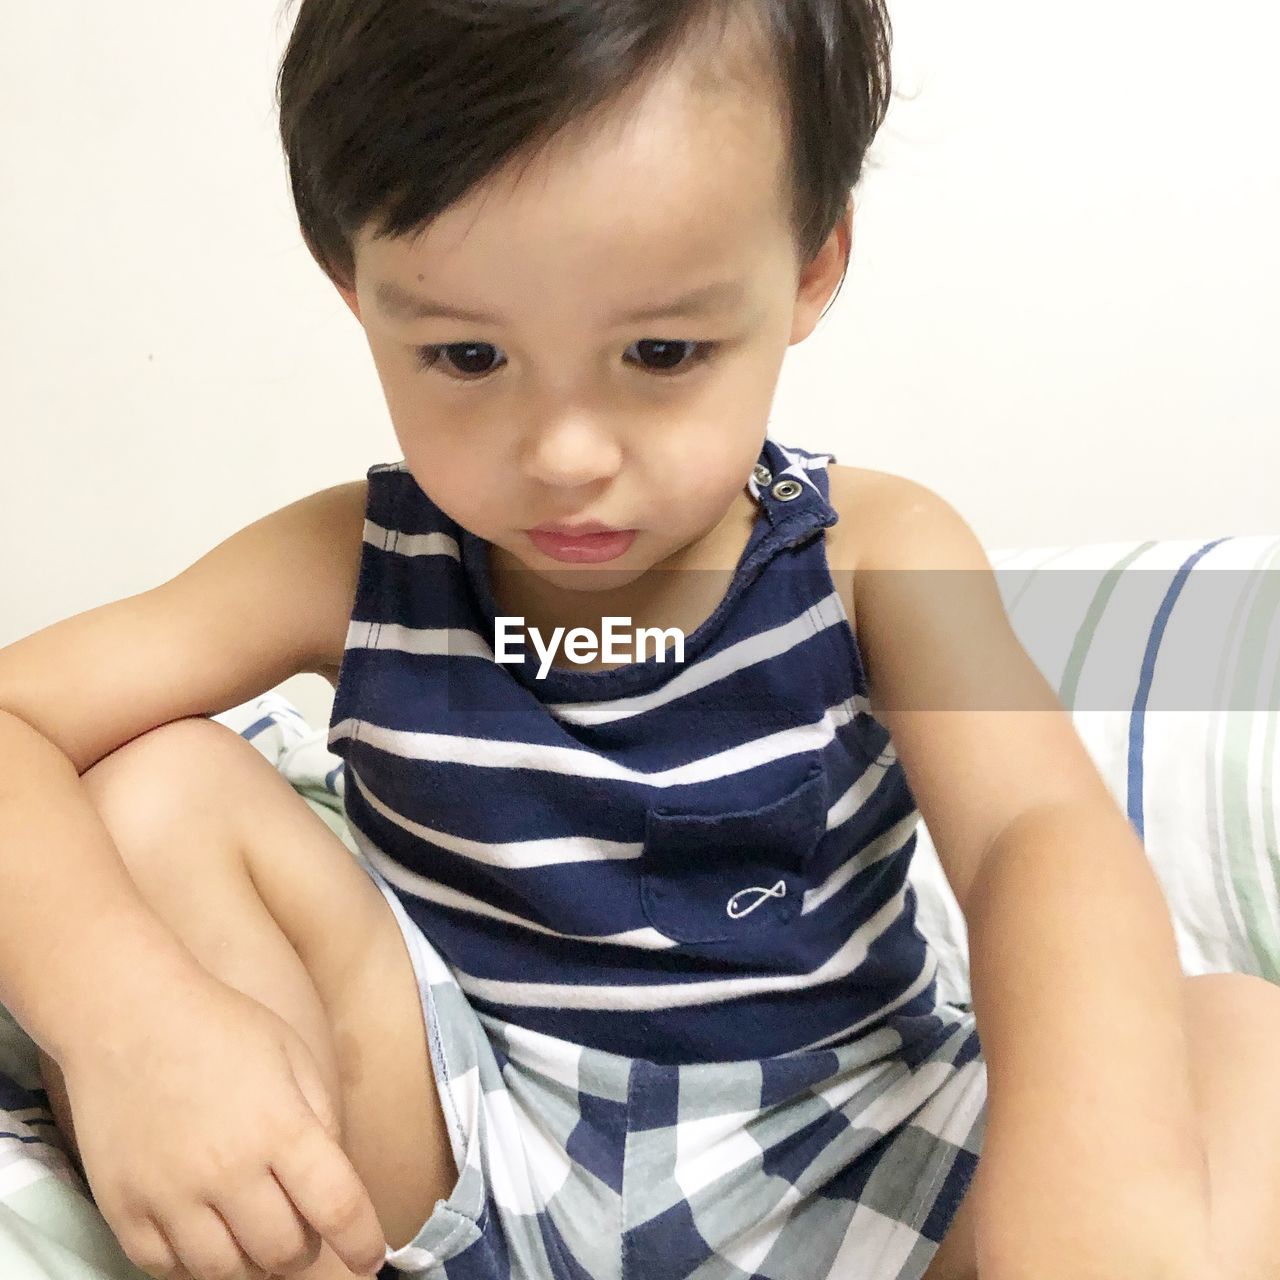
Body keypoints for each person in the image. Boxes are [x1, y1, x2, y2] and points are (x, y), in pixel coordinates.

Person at [1, 2, 1278, 1279]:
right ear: (354, 284)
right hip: (463, 1162)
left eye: (659, 351)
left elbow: (1029, 839)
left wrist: (1092, 1172)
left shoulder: (870, 553)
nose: (565, 454)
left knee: (1239, 1044)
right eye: (464, 353)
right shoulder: (349, 564)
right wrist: (130, 1029)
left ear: (811, 266)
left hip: (851, 1160)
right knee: (157, 784)